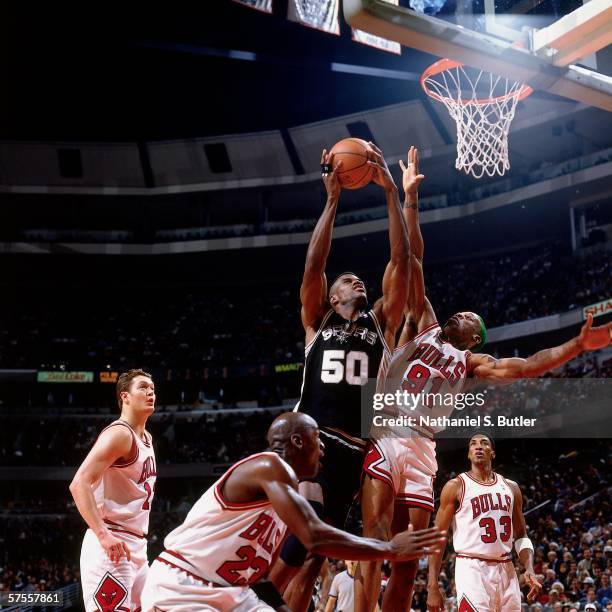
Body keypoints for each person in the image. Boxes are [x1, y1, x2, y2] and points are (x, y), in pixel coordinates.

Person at [356, 146, 612, 612]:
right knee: (374, 538)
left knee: (408, 557)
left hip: (422, 446)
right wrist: (410, 199)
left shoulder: (473, 364)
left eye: (470, 316)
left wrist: (577, 346)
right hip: (387, 426)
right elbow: (413, 260)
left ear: (475, 337)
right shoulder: (425, 321)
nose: (461, 312)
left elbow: (530, 365)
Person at [271, 143, 411, 611]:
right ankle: (257, 599)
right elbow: (313, 266)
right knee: (299, 538)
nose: (358, 282)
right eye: (347, 281)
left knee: (317, 555)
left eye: (358, 280)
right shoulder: (317, 321)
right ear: (331, 297)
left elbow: (401, 261)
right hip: (311, 441)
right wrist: (332, 200)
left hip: (357, 447)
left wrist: (392, 195)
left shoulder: (381, 321)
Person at [141, 412, 445, 611]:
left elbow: (261, 581)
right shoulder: (270, 465)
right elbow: (315, 536)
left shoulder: (283, 496)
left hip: (234, 593)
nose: (323, 448)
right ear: (298, 441)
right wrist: (389, 548)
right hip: (184, 585)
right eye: (318, 440)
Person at [70, 369, 157, 612]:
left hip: (138, 545)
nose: (150, 392)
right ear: (125, 396)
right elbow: (79, 483)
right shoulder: (119, 434)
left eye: (152, 388)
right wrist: (103, 534)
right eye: (142, 387)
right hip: (112, 542)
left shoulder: (147, 438)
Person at [426, 433, 542, 611]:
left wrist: (529, 568)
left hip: (506, 567)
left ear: (492, 453)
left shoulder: (511, 487)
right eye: (473, 444)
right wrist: (432, 585)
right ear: (469, 454)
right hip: (472, 568)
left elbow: (521, 535)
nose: (478, 446)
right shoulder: (455, 486)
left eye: (484, 443)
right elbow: (437, 538)